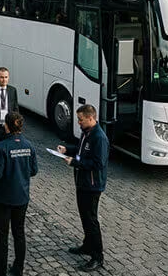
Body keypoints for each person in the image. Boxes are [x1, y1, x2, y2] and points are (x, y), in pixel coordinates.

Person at [0, 112, 38, 276]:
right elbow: (34, 170)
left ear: (6, 126)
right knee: (19, 233)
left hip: (3, 198)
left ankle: (1, 270)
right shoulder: (29, 145)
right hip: (21, 197)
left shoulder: (1, 147)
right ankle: (18, 268)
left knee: (2, 236)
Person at [57, 104, 109, 272]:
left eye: (80, 119)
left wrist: (75, 162)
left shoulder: (99, 138)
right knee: (84, 217)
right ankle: (87, 245)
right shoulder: (86, 132)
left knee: (91, 220)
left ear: (90, 118)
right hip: (82, 182)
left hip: (92, 186)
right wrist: (68, 150)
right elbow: (81, 151)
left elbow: (98, 163)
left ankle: (98, 256)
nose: (78, 122)